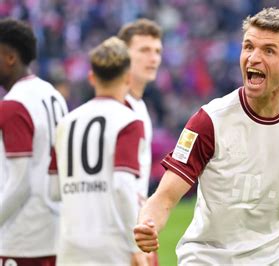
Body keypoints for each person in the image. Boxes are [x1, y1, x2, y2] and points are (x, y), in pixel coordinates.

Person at [134, 8, 279, 265]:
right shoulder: (210, 120)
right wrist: (148, 223)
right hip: (208, 259)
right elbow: (165, 196)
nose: (253, 58)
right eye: (248, 47)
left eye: (268, 50)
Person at [53, 37, 147, 265]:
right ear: (128, 77)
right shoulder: (129, 121)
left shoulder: (66, 122)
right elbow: (122, 186)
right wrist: (134, 246)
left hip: (69, 244)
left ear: (91, 78)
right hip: (111, 247)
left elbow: (54, 190)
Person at [0, 18, 68, 265]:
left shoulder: (13, 105)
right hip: (56, 228)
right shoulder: (53, 94)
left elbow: (20, 183)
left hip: (23, 236)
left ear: (9, 57)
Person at [118, 18, 163, 266]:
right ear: (124, 55)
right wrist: (130, 244)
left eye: (157, 51)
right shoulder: (119, 108)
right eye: (144, 50)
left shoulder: (139, 105)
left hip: (137, 227)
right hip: (122, 235)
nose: (153, 58)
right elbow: (117, 184)